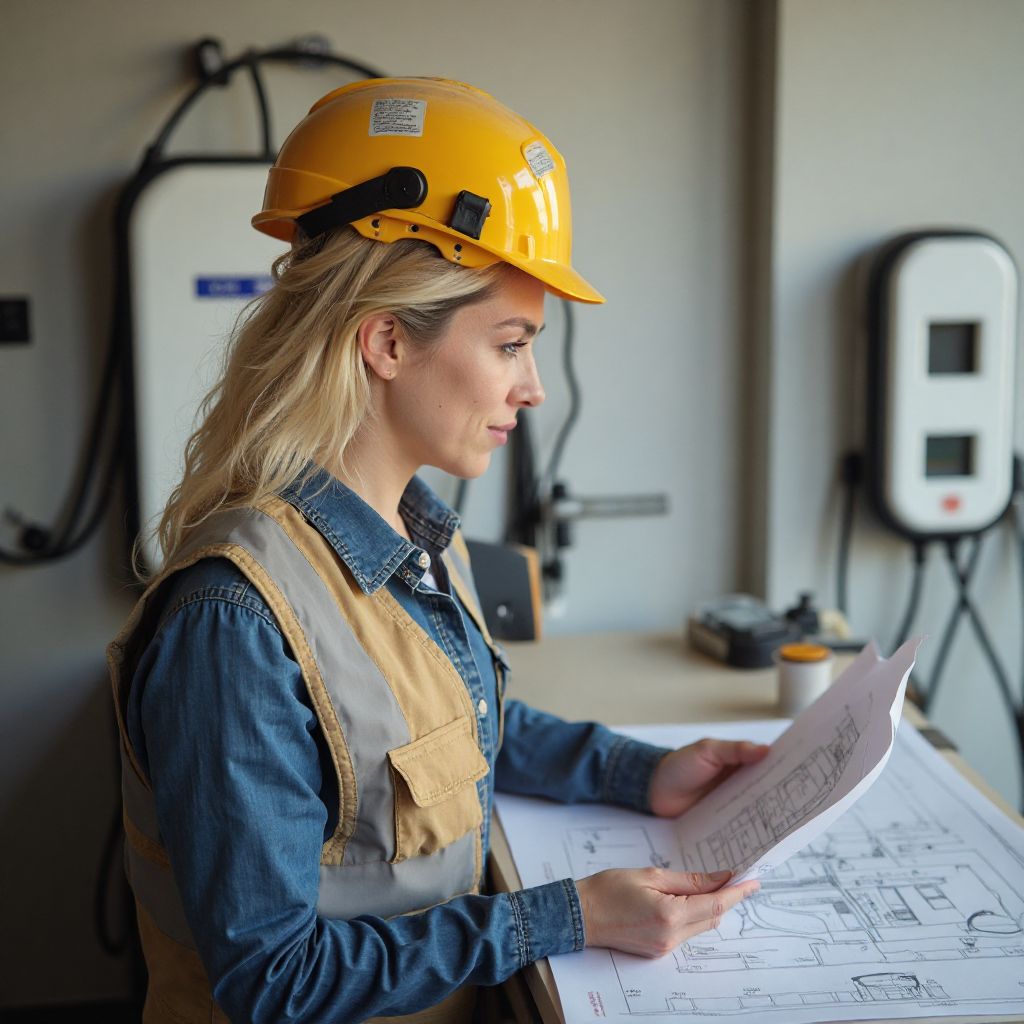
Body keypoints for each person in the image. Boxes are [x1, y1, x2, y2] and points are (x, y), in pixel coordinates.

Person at [108, 77, 767, 1024]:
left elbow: (449, 734)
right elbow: (271, 981)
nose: (533, 387)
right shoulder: (236, 622)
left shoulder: (414, 536)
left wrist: (639, 772)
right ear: (385, 341)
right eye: (510, 343)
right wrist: (561, 919)